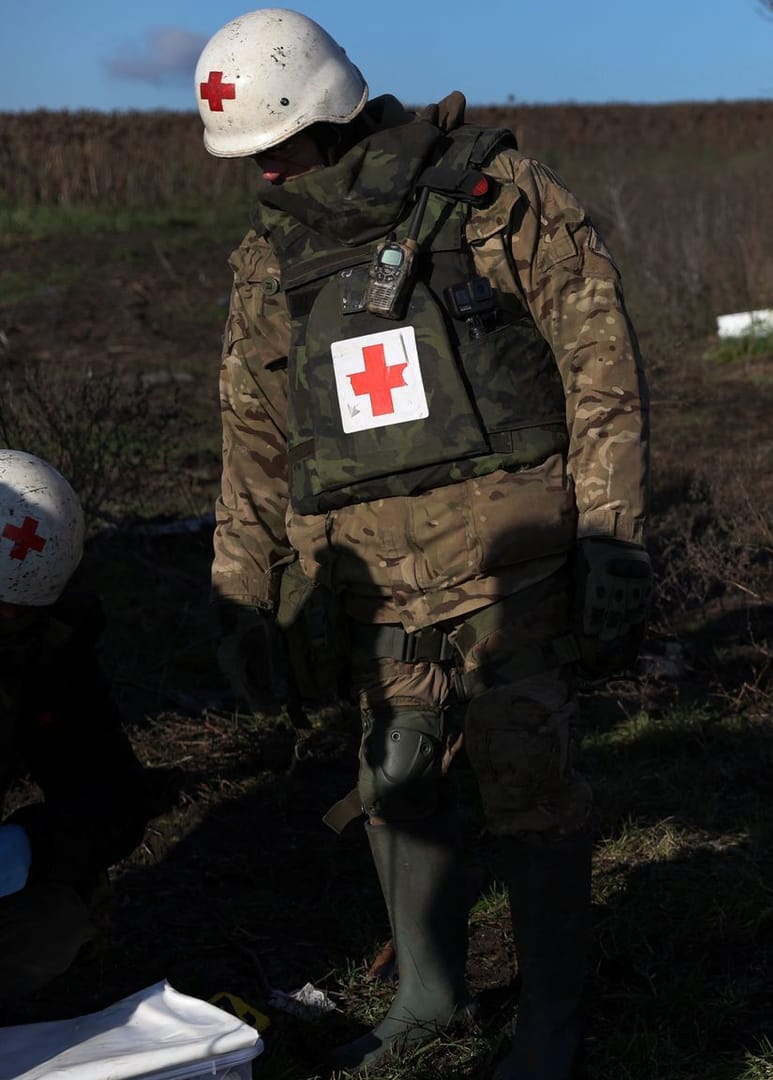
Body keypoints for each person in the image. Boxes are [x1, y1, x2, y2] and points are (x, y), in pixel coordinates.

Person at [194, 9, 652, 1076]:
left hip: (511, 562)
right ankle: (428, 997)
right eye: (250, 159)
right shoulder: (272, 263)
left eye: (279, 148)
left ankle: (552, 1022)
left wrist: (615, 533)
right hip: (369, 584)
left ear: (336, 112)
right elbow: (253, 438)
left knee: (530, 788)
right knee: (396, 782)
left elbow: (601, 365)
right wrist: (243, 593)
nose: (265, 174)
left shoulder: (492, 198)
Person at [0, 450, 161, 1004]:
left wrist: (25, 847)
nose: (8, 622)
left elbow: (113, 798)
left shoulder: (45, 650)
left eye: (17, 612)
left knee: (53, 928)